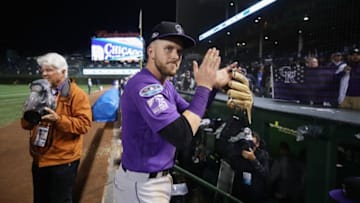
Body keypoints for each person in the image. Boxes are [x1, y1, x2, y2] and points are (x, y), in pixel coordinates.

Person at [113, 21, 247, 203]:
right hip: (142, 186)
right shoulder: (143, 85)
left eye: (179, 51)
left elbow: (195, 113)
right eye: (168, 49)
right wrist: (204, 85)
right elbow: (181, 135)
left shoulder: (165, 85)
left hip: (154, 181)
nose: (176, 56)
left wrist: (212, 86)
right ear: (150, 51)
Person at [20, 52, 92, 203]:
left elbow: (84, 125)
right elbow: (25, 125)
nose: (44, 74)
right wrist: (29, 114)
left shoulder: (77, 95)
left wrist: (58, 120)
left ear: (63, 72)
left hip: (63, 161)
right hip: (40, 158)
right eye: (42, 70)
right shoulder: (39, 92)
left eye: (49, 70)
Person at [230, 130, 271, 203]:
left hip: (255, 191)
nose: (250, 147)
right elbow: (232, 165)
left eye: (253, 144)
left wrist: (253, 160)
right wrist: (239, 152)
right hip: (240, 189)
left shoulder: (263, 155)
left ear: (257, 144)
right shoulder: (241, 152)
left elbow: (265, 173)